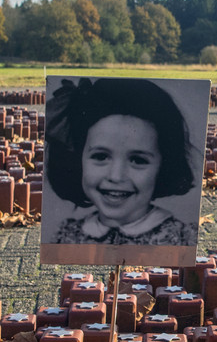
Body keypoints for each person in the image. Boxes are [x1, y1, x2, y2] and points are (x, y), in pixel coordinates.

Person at [46, 78, 197, 247]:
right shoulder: (66, 235)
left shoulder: (182, 239)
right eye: (100, 157)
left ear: (163, 167)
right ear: (78, 160)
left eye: (138, 160)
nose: (116, 176)